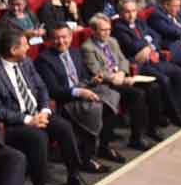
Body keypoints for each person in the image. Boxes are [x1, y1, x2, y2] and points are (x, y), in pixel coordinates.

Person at [0, 31, 87, 185]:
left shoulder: (26, 62)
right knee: (39, 137)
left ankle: (73, 175)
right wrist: (28, 120)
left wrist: (45, 110)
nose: (29, 48)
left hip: (37, 114)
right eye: (25, 45)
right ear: (13, 49)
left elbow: (41, 88)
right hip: (13, 123)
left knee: (63, 127)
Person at [36, 25, 125, 172]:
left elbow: (84, 76)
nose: (61, 41)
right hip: (66, 98)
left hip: (84, 88)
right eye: (56, 38)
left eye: (64, 37)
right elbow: (53, 90)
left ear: (71, 38)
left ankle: (104, 147)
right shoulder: (44, 59)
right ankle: (86, 158)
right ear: (50, 40)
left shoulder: (75, 52)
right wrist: (79, 92)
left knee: (112, 96)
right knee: (96, 108)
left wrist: (93, 80)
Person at [82, 14, 160, 149]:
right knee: (137, 94)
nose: (107, 33)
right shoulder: (88, 47)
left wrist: (122, 73)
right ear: (93, 31)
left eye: (108, 29)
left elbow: (123, 60)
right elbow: (96, 71)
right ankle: (136, 138)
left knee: (153, 88)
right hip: (106, 84)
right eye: (103, 30)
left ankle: (151, 129)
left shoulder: (112, 41)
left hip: (121, 77)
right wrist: (115, 77)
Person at [113, 0, 181, 127]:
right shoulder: (118, 28)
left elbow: (156, 36)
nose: (131, 15)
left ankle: (172, 110)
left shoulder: (140, 21)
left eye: (133, 11)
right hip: (139, 65)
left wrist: (148, 46)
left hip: (154, 58)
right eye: (127, 12)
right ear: (120, 13)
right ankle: (175, 116)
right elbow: (132, 46)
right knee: (164, 80)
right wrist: (148, 43)